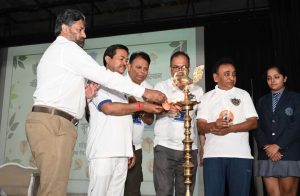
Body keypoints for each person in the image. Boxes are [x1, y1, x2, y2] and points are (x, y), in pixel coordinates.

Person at [25, 9, 166, 196]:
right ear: (65, 28)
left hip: (56, 122)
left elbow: (59, 90)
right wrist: (144, 93)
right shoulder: (66, 48)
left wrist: (84, 96)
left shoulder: (61, 52)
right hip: (54, 123)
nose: (84, 34)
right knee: (54, 190)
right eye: (80, 29)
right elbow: (103, 78)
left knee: (53, 186)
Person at [86, 45, 163, 196]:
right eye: (121, 59)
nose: (124, 63)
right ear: (108, 59)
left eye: (126, 60)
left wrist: (129, 149)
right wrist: (141, 105)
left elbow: (125, 123)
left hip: (122, 153)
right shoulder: (96, 81)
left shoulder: (123, 89)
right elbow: (109, 108)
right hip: (103, 153)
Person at [196, 57, 258, 196]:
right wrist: (214, 125)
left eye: (234, 74)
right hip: (213, 155)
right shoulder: (207, 97)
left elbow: (253, 122)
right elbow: (200, 126)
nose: (232, 77)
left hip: (241, 155)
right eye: (227, 74)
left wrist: (229, 129)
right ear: (215, 77)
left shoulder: (243, 94)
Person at [153, 51, 203, 196]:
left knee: (185, 192)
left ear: (189, 68)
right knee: (164, 192)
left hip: (189, 149)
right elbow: (152, 111)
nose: (180, 71)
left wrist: (203, 147)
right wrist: (166, 110)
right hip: (164, 147)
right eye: (176, 67)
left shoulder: (197, 90)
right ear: (170, 69)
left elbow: (200, 121)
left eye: (184, 67)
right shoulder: (161, 86)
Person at [255, 66, 300, 196]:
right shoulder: (261, 101)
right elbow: (257, 126)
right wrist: (267, 147)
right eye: (269, 78)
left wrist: (278, 146)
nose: (272, 81)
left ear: (284, 78)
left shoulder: (295, 98)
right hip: (267, 154)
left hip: (288, 153)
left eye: (277, 77)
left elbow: (297, 125)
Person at [124, 51, 154, 196]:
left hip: (136, 147)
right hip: (117, 145)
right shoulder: (118, 83)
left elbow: (149, 120)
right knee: (113, 189)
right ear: (129, 66)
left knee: (133, 190)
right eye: (138, 67)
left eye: (145, 69)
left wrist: (138, 107)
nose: (142, 72)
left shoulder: (148, 89)